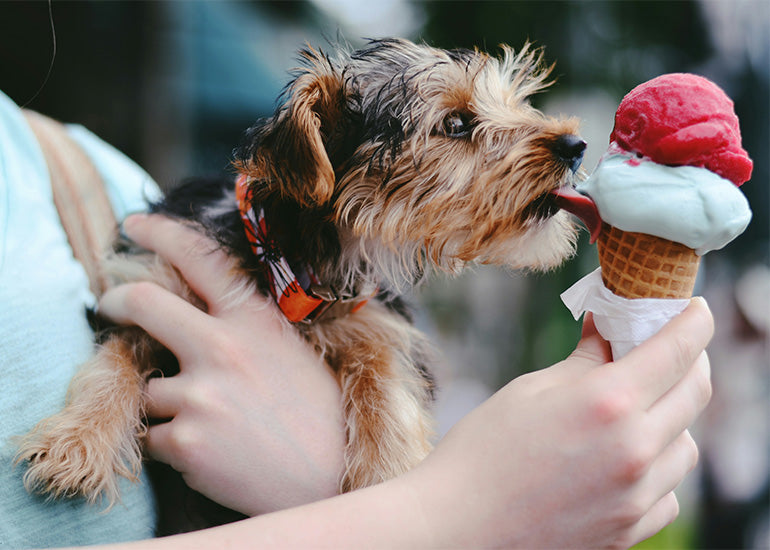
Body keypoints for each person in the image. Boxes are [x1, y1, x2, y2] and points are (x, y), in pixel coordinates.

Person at [0, 86, 714, 548]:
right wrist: (446, 515)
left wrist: (333, 484)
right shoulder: (170, 227)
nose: (558, 137)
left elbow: (389, 441)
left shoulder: (87, 178)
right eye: (459, 125)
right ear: (323, 154)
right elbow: (131, 340)